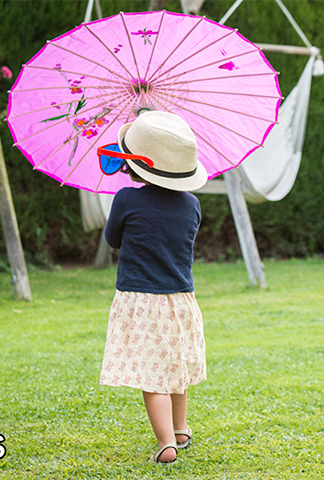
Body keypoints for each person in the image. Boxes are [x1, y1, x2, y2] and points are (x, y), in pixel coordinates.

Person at [99, 110, 208, 464]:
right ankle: (180, 428)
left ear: (133, 164)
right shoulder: (192, 205)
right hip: (181, 300)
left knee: (153, 374)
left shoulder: (127, 200)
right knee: (175, 367)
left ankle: (165, 444)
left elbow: (112, 239)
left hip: (141, 301)